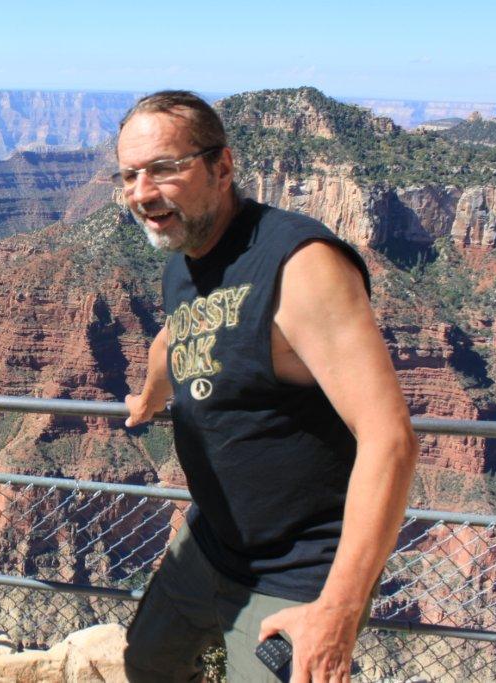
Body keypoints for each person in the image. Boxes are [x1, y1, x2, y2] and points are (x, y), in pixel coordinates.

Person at [116, 91, 418, 682]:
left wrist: (338, 610)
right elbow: (176, 333)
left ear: (222, 166)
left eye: (164, 169)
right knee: (147, 665)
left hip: (300, 570)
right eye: (129, 175)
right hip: (210, 541)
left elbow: (390, 440)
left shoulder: (302, 266)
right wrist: (150, 396)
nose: (142, 193)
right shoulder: (184, 255)